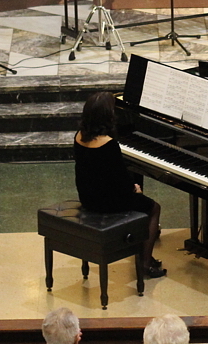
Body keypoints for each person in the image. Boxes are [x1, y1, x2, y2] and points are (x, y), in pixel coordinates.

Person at [74, 91, 164, 277]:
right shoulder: (108, 144)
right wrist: (135, 189)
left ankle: (140, 245)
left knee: (139, 200)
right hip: (109, 203)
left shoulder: (79, 136)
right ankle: (146, 264)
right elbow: (120, 181)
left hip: (88, 198)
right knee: (154, 208)